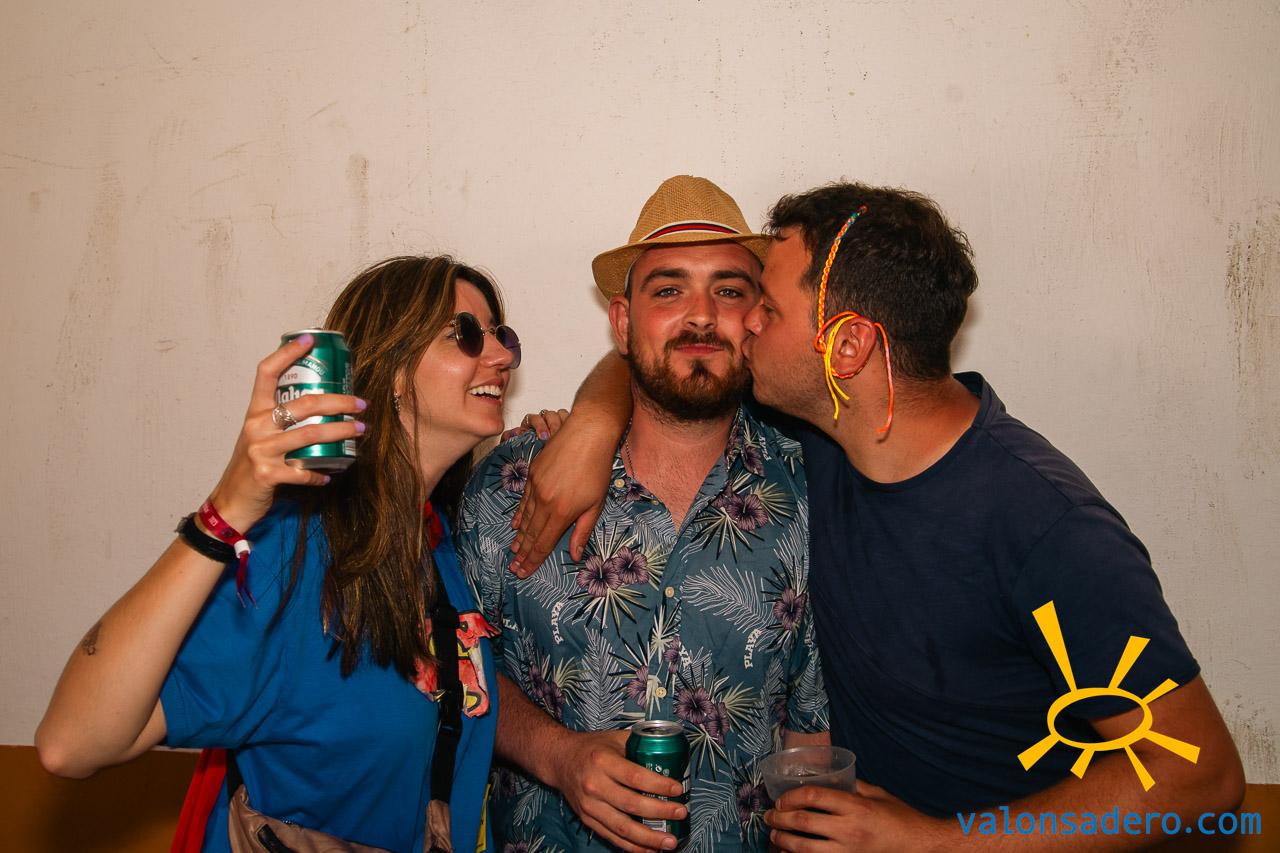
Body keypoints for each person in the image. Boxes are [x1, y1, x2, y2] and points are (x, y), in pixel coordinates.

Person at [513, 182, 1245, 851]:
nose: (739, 323)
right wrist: (592, 422)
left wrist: (935, 842)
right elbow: (669, 355)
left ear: (848, 345)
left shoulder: (1041, 521)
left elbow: (1201, 774)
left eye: (767, 308)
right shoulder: (817, 448)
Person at [36, 255, 521, 853]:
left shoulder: (434, 543)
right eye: (465, 334)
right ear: (393, 370)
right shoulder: (295, 551)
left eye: (501, 335)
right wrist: (224, 513)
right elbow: (70, 744)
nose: (500, 356)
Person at [456, 176, 829, 853]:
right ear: (623, 323)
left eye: (728, 290)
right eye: (668, 291)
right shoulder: (512, 484)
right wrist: (558, 756)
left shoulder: (808, 491)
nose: (701, 315)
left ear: (756, 318)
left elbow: (811, 727)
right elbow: (462, 672)